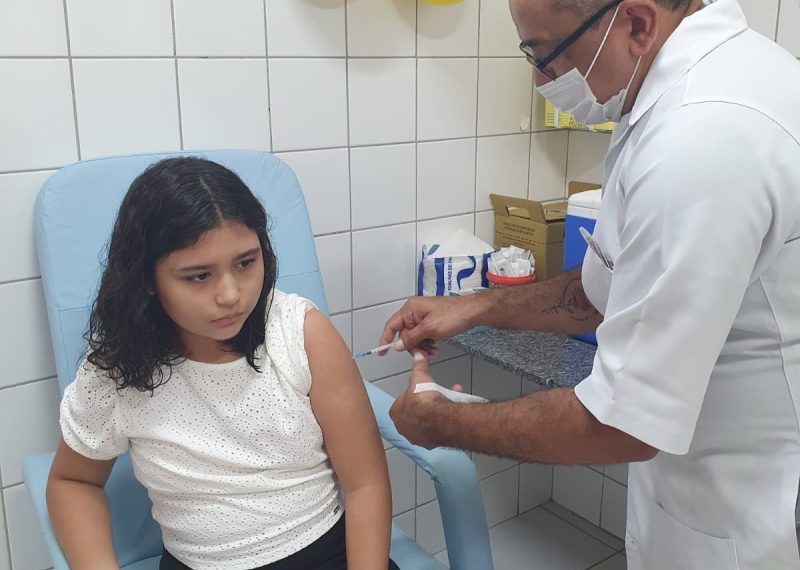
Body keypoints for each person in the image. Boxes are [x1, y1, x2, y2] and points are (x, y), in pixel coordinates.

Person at [381, 0, 800, 568]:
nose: (541, 81)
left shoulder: (702, 138)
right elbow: (616, 283)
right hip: (703, 474)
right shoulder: (685, 84)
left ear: (637, 23)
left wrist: (439, 422)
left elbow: (617, 424)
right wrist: (474, 307)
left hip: (749, 509)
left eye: (547, 56)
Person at [46, 157, 399, 570]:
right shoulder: (117, 369)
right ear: (146, 279)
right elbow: (73, 481)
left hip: (326, 555)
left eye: (246, 262)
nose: (231, 295)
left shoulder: (300, 333)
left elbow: (365, 485)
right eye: (199, 276)